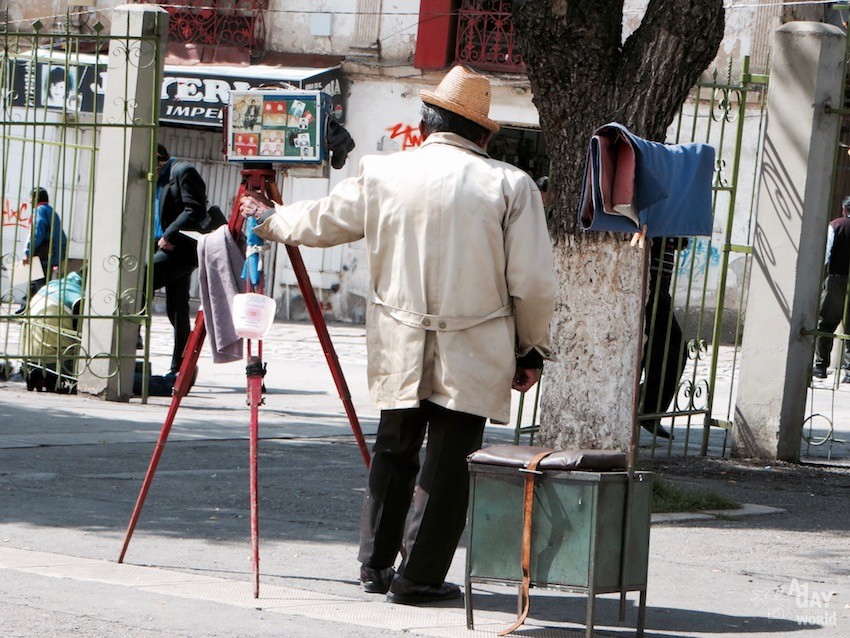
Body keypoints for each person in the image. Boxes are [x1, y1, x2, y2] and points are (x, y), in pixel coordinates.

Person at [239, 66, 555, 605]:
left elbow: (321, 221)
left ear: (426, 123)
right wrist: (531, 350)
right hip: (474, 346)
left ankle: (373, 565)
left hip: (400, 338)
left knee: (395, 448)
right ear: (480, 133)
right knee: (450, 463)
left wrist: (270, 218)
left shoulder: (383, 172)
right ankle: (419, 577)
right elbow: (531, 283)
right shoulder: (509, 185)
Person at [152, 144, 207, 377]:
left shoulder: (182, 171)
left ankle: (131, 340)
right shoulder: (156, 177)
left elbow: (194, 209)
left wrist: (168, 234)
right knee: (177, 309)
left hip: (180, 249)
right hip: (166, 246)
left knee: (139, 281)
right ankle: (182, 367)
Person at [639, 237, 688, 439]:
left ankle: (644, 406)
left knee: (664, 349)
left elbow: (680, 242)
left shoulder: (671, 210)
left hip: (659, 283)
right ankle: (646, 408)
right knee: (672, 349)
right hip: (649, 281)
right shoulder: (657, 208)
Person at [813, 195, 850, 381]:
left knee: (826, 324)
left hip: (836, 280)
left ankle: (820, 367)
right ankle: (849, 371)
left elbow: (826, 254)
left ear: (844, 209)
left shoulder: (835, 225)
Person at [20, 187, 68, 310]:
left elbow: (37, 233)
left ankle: (38, 312)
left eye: (31, 198)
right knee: (33, 284)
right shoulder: (52, 212)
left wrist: (28, 252)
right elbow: (62, 237)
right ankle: (24, 310)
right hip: (50, 255)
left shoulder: (40, 211)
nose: (30, 201)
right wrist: (59, 257)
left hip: (41, 256)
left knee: (40, 288)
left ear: (36, 198)